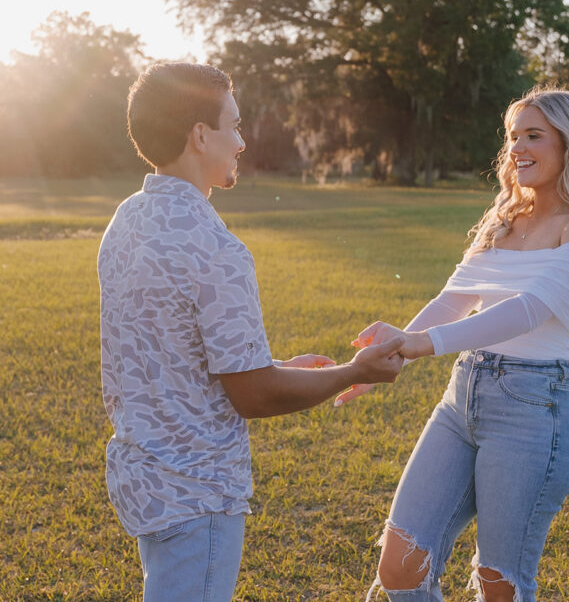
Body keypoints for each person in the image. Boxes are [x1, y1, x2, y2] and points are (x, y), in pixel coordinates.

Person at [97, 62, 405, 602]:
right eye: (234, 126)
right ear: (200, 135)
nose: (241, 142)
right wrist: (352, 372)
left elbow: (179, 355)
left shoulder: (127, 220)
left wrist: (277, 365)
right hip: (197, 493)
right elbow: (255, 395)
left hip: (145, 479)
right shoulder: (217, 249)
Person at [340, 86, 569, 602]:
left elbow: (527, 311)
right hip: (461, 400)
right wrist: (391, 354)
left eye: (533, 136)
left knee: (500, 584)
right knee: (401, 565)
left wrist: (422, 344)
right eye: (513, 136)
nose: (517, 148)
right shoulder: (503, 218)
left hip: (533, 412)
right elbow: (454, 299)